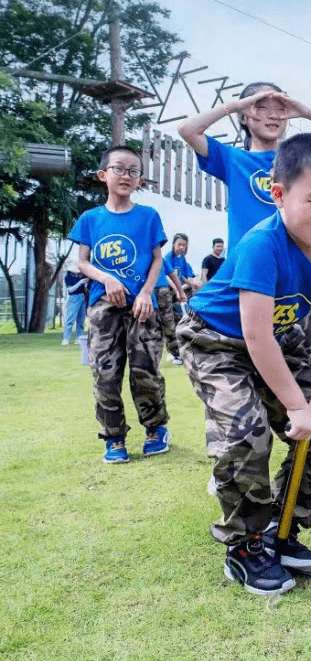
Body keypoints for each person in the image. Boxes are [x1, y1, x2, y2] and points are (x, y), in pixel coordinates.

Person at [176, 133, 311, 596]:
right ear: (279, 194)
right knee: (245, 433)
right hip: (216, 340)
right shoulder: (262, 243)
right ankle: (245, 544)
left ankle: (282, 530)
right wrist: (296, 405)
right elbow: (253, 336)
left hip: (279, 338)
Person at [68, 145, 171, 464]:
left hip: (142, 306)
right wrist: (108, 279)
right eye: (119, 169)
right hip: (102, 306)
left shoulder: (148, 217)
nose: (126, 175)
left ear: (140, 179)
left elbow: (157, 259)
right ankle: (113, 437)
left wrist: (145, 293)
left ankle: (156, 429)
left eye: (133, 171)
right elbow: (82, 262)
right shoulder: (90, 218)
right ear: (103, 175)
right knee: (104, 372)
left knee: (145, 370)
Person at [178, 82, 311, 249]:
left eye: (280, 110)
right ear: (243, 117)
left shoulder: (300, 156)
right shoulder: (232, 158)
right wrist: (233, 107)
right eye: (262, 108)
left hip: (293, 259)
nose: (273, 116)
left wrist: (305, 112)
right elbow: (187, 130)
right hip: (246, 262)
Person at [160, 233, 198, 364]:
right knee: (169, 322)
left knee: (181, 319)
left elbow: (180, 275)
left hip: (179, 290)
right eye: (179, 244)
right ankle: (173, 352)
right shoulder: (167, 258)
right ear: (173, 244)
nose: (181, 247)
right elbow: (167, 275)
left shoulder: (182, 258)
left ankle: (180, 351)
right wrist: (177, 289)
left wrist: (189, 283)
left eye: (184, 245)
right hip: (167, 291)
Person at [61, 261, 89, 346]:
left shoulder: (82, 276)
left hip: (82, 297)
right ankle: (66, 338)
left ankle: (79, 338)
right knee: (70, 319)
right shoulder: (68, 277)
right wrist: (80, 283)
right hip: (73, 297)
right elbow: (70, 290)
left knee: (81, 320)